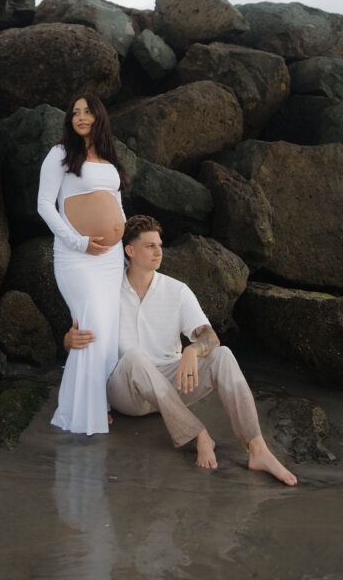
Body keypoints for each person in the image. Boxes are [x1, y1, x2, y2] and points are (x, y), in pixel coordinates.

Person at [65, 214, 297, 485]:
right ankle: (198, 434)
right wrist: (69, 341)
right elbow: (77, 343)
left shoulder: (177, 291)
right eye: (150, 246)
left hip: (172, 385)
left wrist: (192, 351)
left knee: (223, 355)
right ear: (130, 251)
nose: (158, 251)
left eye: (160, 245)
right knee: (135, 358)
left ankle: (258, 450)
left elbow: (209, 337)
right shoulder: (108, 291)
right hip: (127, 391)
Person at [37, 93, 127, 436]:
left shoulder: (108, 157)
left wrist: (121, 239)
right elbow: (45, 205)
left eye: (87, 111)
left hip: (110, 260)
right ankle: (78, 413)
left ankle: (99, 402)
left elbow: (117, 207)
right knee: (90, 328)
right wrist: (78, 242)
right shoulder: (60, 154)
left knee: (107, 333)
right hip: (77, 257)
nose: (80, 117)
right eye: (75, 112)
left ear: (99, 116)